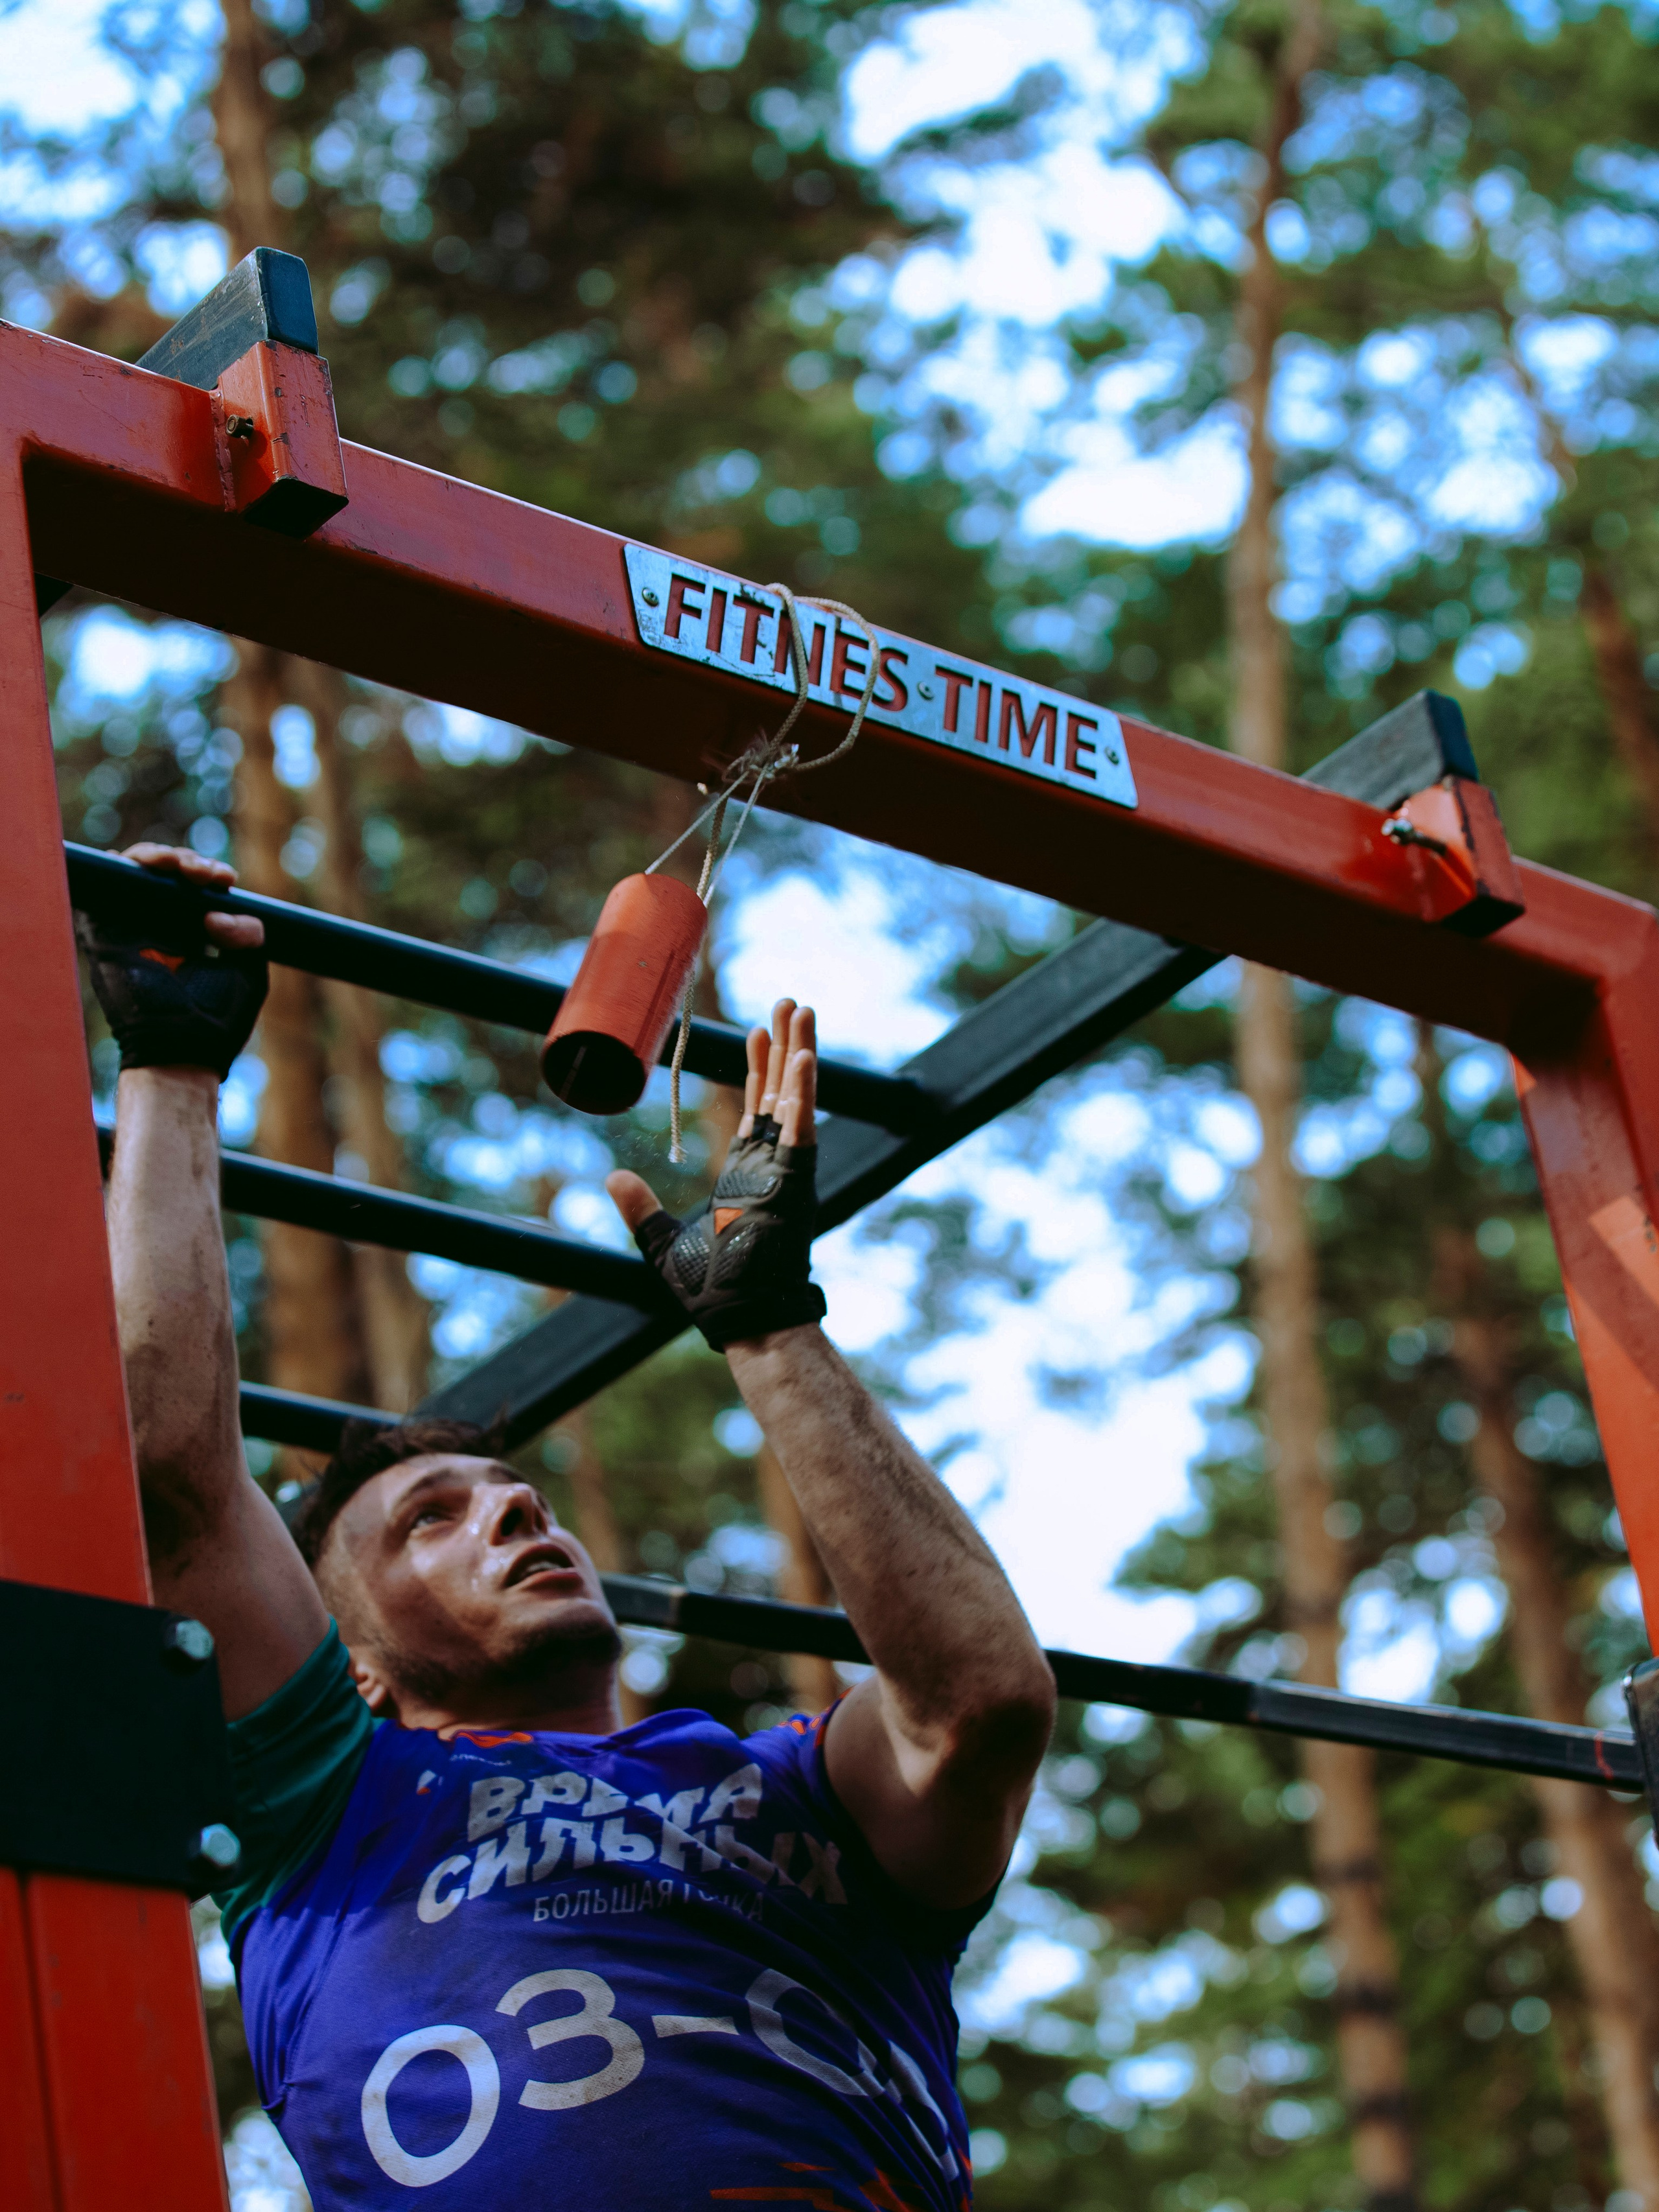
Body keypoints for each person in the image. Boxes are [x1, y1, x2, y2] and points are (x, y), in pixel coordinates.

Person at [86, 843, 1056, 2212]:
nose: (510, 1507)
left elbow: (981, 1706)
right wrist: (172, 1071)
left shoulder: (785, 1794)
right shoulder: (328, 1803)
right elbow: (173, 1482)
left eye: (509, 1492)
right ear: (351, 1669)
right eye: (430, 1520)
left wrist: (770, 1325)